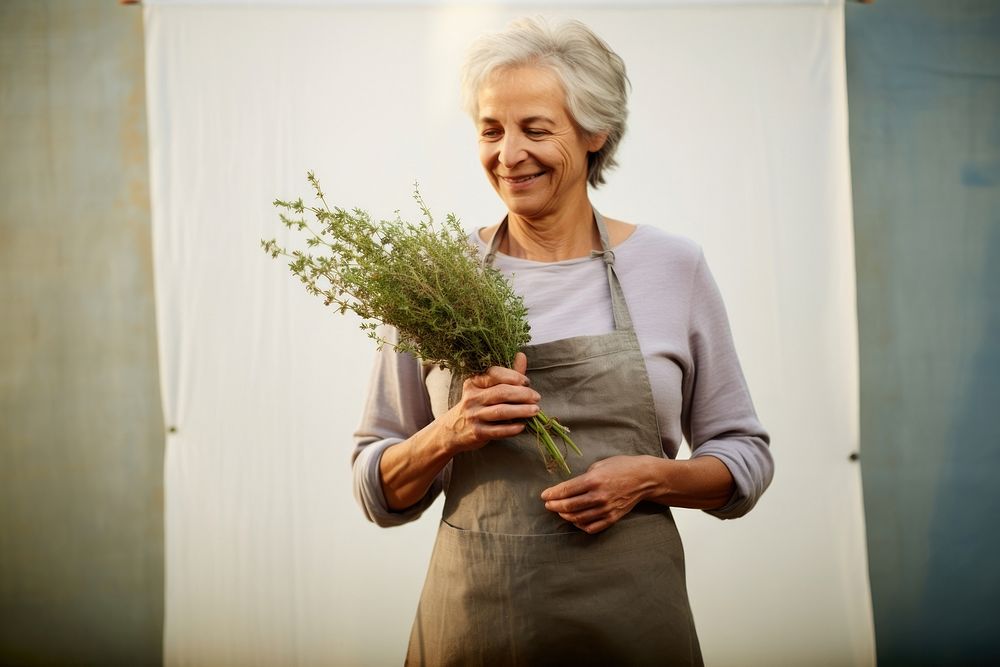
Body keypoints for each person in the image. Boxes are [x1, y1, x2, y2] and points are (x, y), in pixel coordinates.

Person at [353, 16, 773, 666]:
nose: (508, 153)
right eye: (491, 129)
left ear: (595, 132)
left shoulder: (673, 268)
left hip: (635, 628)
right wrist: (449, 432)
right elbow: (374, 486)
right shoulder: (434, 281)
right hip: (473, 630)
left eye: (535, 129)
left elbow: (744, 455)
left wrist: (651, 478)